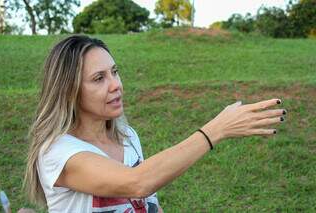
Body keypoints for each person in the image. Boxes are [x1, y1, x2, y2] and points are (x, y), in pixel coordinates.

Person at [23, 35, 287, 213]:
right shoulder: (57, 152)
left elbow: (147, 202)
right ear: (69, 91)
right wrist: (217, 129)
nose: (116, 84)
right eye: (99, 78)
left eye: (115, 72)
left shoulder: (127, 136)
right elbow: (137, 182)